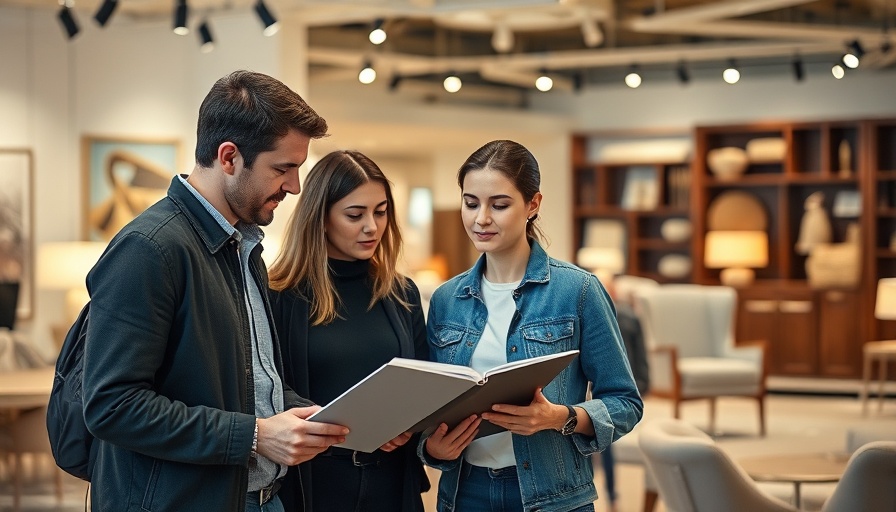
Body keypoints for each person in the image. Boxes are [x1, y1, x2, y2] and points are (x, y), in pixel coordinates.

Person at [81, 70, 349, 512]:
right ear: (229, 158)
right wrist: (258, 435)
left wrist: (326, 418)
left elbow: (246, 385)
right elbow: (112, 406)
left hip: (260, 499)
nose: (295, 186)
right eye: (283, 168)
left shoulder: (243, 248)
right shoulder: (149, 250)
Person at [419, 140, 644, 512]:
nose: (481, 219)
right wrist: (431, 447)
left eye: (500, 205)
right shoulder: (445, 300)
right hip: (464, 493)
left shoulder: (578, 291)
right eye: (471, 203)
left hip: (554, 496)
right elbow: (428, 408)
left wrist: (560, 417)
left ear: (533, 205)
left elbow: (625, 403)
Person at [269, 150, 430, 512]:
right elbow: (266, 388)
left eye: (381, 211)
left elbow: (424, 383)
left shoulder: (401, 293)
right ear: (321, 218)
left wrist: (410, 425)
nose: (372, 226)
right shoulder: (279, 295)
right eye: (355, 215)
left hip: (393, 485)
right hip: (312, 487)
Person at [596, 273, 651, 512]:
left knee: (604, 438)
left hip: (617, 391)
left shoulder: (628, 316)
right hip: (591, 390)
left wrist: (642, 385)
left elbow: (641, 355)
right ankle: (608, 495)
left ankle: (612, 495)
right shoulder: (587, 316)